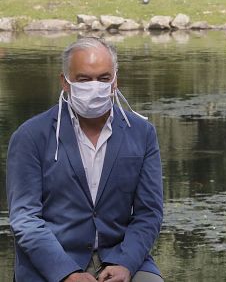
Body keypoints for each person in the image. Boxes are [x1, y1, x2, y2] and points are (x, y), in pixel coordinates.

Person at [7, 37, 163, 282]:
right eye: (83, 79)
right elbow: (25, 218)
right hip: (51, 261)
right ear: (65, 82)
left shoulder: (142, 133)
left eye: (103, 78)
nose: (94, 86)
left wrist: (126, 264)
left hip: (119, 255)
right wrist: (66, 273)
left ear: (114, 81)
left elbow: (149, 213)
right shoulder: (31, 136)